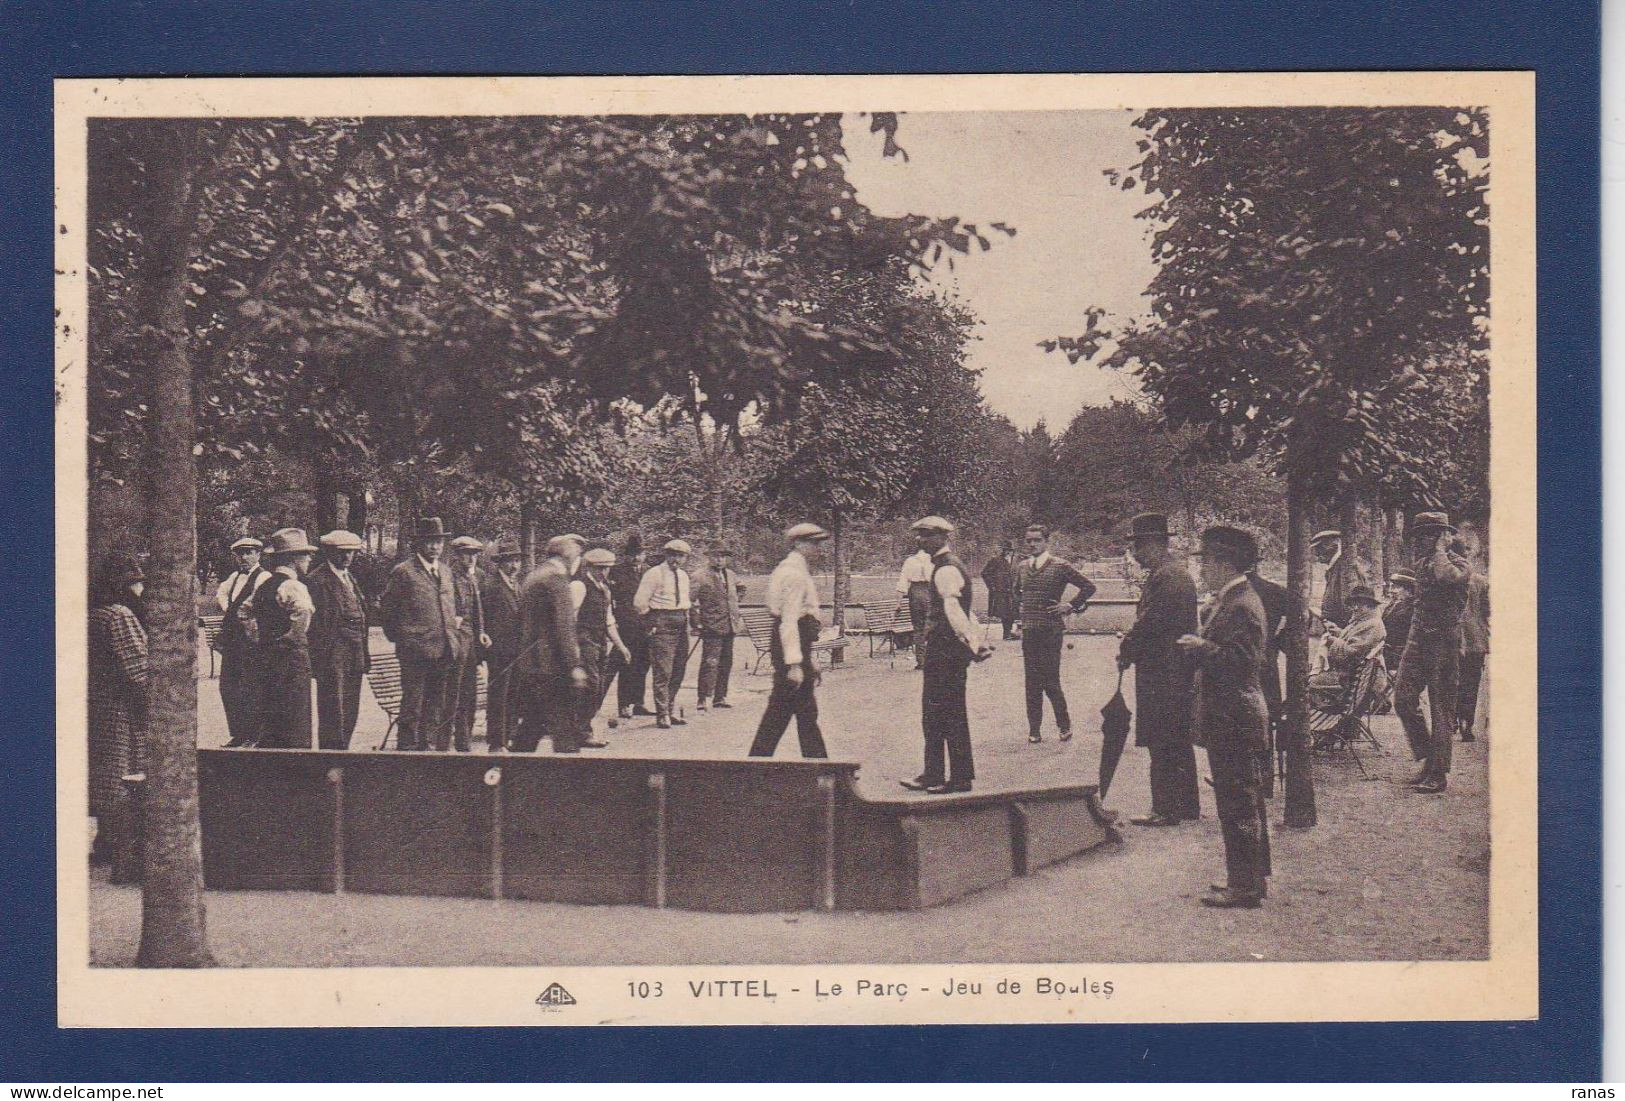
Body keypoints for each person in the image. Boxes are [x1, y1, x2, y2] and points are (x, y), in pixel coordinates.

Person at [1177, 525, 1272, 909]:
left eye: (1207, 563)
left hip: (1235, 714)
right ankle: (1248, 879)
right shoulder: (1234, 599)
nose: (1202, 571)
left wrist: (1202, 647)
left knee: (1238, 801)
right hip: (1232, 713)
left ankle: (1245, 886)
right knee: (1238, 799)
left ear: (1223, 563)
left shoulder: (1241, 604)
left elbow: (1244, 662)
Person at [1117, 513, 1200, 826]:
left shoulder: (1168, 577)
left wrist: (1127, 648)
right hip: (1172, 669)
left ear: (1153, 544)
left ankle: (1165, 808)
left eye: (1138, 546)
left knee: (1162, 738)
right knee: (1177, 739)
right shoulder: (1172, 574)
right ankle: (1187, 805)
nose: (1135, 554)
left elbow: (1151, 623)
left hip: (1163, 671)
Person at [900, 516, 992, 794]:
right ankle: (934, 773)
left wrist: (971, 644)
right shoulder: (945, 566)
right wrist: (975, 643)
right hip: (944, 650)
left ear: (942, 537)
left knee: (947, 713)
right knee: (935, 714)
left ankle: (959, 779)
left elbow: (954, 612)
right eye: (919, 535)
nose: (920, 540)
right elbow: (963, 612)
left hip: (946, 651)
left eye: (926, 535)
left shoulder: (946, 569)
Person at [1393, 511, 1472, 793]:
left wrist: (1441, 550)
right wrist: (1412, 637)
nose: (1420, 541)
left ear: (1442, 538)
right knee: (1402, 698)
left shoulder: (1459, 565)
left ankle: (1438, 773)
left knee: (1441, 708)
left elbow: (1446, 577)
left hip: (1444, 643)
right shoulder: (1422, 563)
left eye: (1428, 535)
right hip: (1419, 640)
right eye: (1419, 535)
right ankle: (1428, 755)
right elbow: (1419, 604)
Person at [748, 523, 833, 759]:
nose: (817, 548)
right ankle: (757, 762)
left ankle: (817, 765)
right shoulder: (792, 574)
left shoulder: (798, 569)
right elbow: (789, 620)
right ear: (797, 544)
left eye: (818, 543)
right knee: (785, 709)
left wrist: (809, 657)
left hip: (796, 644)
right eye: (812, 543)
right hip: (789, 644)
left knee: (799, 710)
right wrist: (795, 664)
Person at [88, 554, 148, 876]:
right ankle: (118, 847)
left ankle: (104, 840)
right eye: (136, 583)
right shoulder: (119, 616)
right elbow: (138, 670)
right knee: (121, 773)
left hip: (94, 702)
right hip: (119, 706)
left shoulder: (90, 614)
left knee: (101, 774)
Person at [378, 517, 459, 752]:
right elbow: (388, 612)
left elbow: (450, 608)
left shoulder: (445, 571)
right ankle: (407, 749)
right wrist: (405, 639)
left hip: (444, 648)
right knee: (412, 703)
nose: (435, 547)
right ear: (419, 544)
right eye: (429, 542)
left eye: (438, 542)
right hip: (415, 652)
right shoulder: (404, 572)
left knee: (436, 703)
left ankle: (428, 746)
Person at [1012, 524, 1096, 743]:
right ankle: (1034, 730)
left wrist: (1069, 605)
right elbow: (1016, 592)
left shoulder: (1060, 566)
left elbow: (1088, 587)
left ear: (1046, 541)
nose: (1032, 544)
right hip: (1030, 630)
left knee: (1050, 680)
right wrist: (1024, 611)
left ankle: (1064, 725)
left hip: (1051, 630)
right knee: (1031, 682)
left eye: (1037, 540)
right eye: (1028, 540)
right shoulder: (1021, 567)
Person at [512, 533, 589, 754]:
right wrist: (573, 665)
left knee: (532, 724)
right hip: (553, 666)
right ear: (569, 556)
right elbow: (564, 627)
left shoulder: (535, 576)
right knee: (564, 727)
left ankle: (509, 772)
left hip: (532, 663)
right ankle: (569, 779)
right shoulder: (556, 578)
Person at [253, 527, 318, 749]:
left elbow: (244, 613)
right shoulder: (293, 585)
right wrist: (291, 638)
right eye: (305, 555)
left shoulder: (263, 585)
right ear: (293, 558)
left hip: (267, 657)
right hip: (291, 659)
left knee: (272, 714)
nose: (309, 559)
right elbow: (304, 612)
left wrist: (261, 638)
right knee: (295, 715)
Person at [307, 529, 370, 750]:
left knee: (351, 705)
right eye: (342, 552)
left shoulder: (349, 577)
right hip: (332, 652)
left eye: (352, 552)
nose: (347, 557)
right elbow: (313, 625)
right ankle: (331, 755)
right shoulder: (316, 580)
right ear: (329, 553)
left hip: (355, 650)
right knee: (333, 706)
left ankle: (344, 752)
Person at [634, 538, 694, 728]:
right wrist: (651, 622)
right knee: (663, 670)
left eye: (680, 556)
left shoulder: (684, 576)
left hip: (681, 621)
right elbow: (639, 602)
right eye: (672, 555)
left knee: (679, 669)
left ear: (685, 558)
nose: (676, 559)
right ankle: (662, 714)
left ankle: (670, 709)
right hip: (662, 622)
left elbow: (685, 601)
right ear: (666, 555)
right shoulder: (654, 573)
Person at [572, 546, 629, 748]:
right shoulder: (580, 586)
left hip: (600, 643)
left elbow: (608, 621)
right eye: (600, 568)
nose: (604, 572)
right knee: (591, 686)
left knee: (598, 688)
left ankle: (581, 728)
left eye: (607, 568)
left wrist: (621, 646)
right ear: (590, 567)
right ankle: (582, 732)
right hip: (583, 642)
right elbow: (570, 617)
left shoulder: (605, 589)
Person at [214, 536, 268, 746]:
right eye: (240, 553)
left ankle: (253, 734)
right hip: (233, 640)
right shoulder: (235, 577)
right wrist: (230, 609)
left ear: (258, 554)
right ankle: (238, 732)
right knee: (228, 686)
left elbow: (257, 603)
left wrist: (245, 615)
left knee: (249, 685)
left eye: (249, 552)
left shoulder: (263, 577)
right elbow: (221, 594)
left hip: (250, 638)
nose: (244, 557)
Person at [478, 538, 525, 752]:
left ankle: (510, 737)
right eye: (509, 561)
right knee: (499, 696)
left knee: (514, 694)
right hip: (499, 651)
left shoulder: (517, 585)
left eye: (516, 561)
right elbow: (483, 620)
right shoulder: (491, 586)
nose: (514, 566)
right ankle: (496, 742)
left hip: (517, 650)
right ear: (500, 563)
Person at [444, 535, 488, 753]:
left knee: (470, 693)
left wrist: (481, 632)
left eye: (474, 554)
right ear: (456, 555)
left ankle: (464, 740)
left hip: (473, 642)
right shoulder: (448, 577)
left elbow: (480, 609)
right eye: (466, 554)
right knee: (454, 691)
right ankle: (446, 740)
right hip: (457, 640)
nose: (471, 558)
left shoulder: (478, 576)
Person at [1246, 566, 1289, 791]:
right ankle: (1266, 780)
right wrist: (1277, 641)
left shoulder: (1240, 592)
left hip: (1248, 667)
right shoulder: (1277, 591)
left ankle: (1251, 779)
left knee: (1245, 722)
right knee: (1265, 720)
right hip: (1268, 666)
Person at [690, 545, 744, 713]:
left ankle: (720, 697)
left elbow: (741, 589)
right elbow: (689, 602)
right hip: (711, 627)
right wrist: (697, 623)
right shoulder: (699, 576)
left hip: (730, 625)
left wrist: (732, 605)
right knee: (710, 663)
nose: (719, 559)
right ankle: (703, 698)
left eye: (723, 556)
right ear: (709, 557)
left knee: (726, 663)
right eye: (716, 556)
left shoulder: (731, 575)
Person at [606, 533, 653, 719]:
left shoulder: (649, 572)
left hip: (646, 625)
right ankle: (624, 704)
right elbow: (609, 599)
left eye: (640, 553)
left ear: (644, 555)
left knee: (643, 664)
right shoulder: (616, 572)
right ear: (626, 555)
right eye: (632, 553)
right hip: (625, 625)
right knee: (626, 664)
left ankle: (638, 703)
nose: (636, 557)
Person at [1311, 529, 1372, 631]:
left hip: (1344, 628)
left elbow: (1351, 605)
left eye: (1319, 548)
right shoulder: (1334, 567)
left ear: (1331, 546)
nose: (1316, 554)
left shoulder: (1345, 566)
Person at [1324, 585, 1387, 679]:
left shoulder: (1372, 625)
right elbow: (1355, 640)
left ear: (1370, 605)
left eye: (1360, 604)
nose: (1355, 608)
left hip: (1353, 678)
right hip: (1353, 674)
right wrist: (1339, 633)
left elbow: (1353, 654)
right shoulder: (1364, 620)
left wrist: (1333, 641)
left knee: (1312, 680)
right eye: (1353, 604)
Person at [1458, 562, 1489, 743]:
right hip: (1475, 639)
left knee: (1451, 680)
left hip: (1452, 637)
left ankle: (1452, 719)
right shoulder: (1481, 581)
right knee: (1471, 682)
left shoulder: (1445, 576)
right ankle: (1466, 722)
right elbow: (1487, 611)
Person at [896, 545, 936, 668]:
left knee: (918, 627)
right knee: (932, 627)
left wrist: (898, 603)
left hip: (915, 593)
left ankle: (921, 661)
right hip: (930, 592)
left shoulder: (910, 561)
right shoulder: (934, 560)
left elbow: (902, 582)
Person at [981, 540, 1019, 641]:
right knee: (1004, 612)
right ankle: (1006, 634)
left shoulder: (1015, 562)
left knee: (1012, 612)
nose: (1008, 552)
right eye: (1006, 550)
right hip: (1000, 591)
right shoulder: (995, 560)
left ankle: (1009, 633)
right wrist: (992, 586)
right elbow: (985, 573)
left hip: (1012, 591)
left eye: (1009, 550)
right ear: (1003, 550)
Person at [1382, 569, 1417, 671]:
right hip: (1387, 652)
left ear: (1409, 590)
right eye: (1390, 586)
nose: (1390, 590)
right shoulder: (1393, 606)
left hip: (1400, 657)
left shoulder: (1413, 609)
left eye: (1396, 587)